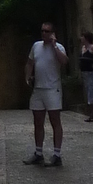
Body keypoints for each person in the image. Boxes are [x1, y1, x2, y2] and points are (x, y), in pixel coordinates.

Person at [24, 20, 67, 166]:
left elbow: (64, 61)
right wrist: (27, 76)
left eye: (47, 31)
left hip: (52, 88)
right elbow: (30, 62)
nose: (44, 34)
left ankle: (57, 154)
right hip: (38, 89)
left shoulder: (58, 47)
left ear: (52, 33)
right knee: (38, 121)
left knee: (55, 121)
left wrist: (54, 45)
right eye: (42, 31)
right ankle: (38, 152)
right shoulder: (36, 46)